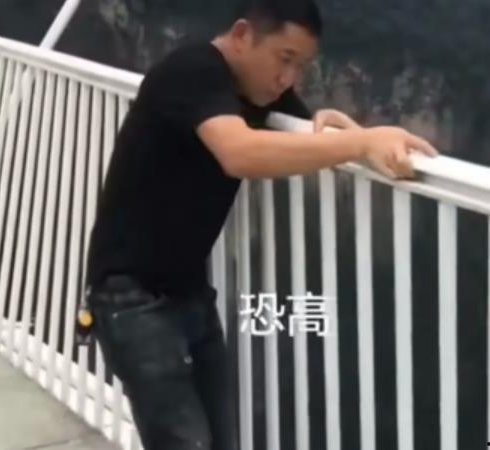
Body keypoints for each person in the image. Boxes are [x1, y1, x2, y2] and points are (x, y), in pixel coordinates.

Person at [83, 0, 438, 449]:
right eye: (284, 58)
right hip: (131, 300)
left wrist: (341, 129)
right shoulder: (192, 70)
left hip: (188, 294)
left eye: (301, 66)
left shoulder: (257, 91)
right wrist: (360, 143)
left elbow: (306, 136)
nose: (288, 78)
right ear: (242, 35)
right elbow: (241, 153)